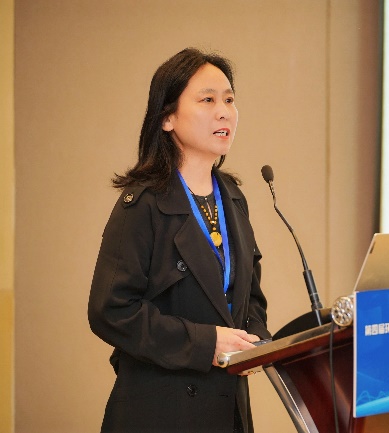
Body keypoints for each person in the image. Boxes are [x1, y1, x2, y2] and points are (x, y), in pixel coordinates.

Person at [88, 47, 271, 433]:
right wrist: (205, 343)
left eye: (229, 100)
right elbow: (111, 311)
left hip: (228, 409)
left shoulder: (233, 197)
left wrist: (257, 342)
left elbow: (249, 297)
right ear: (167, 118)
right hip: (160, 410)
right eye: (207, 100)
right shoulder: (143, 203)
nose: (224, 112)